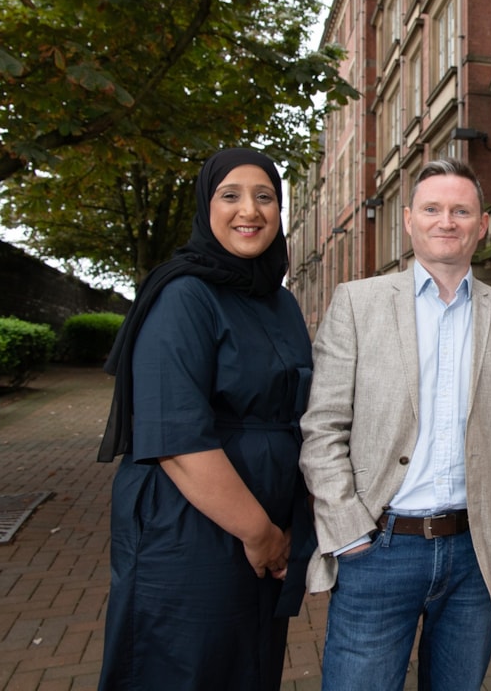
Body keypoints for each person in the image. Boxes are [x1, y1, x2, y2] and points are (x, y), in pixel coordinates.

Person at [299, 158, 491, 691]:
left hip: (476, 554)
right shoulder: (356, 304)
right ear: (410, 220)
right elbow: (322, 430)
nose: (447, 221)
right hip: (378, 549)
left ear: (481, 225)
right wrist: (348, 534)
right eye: (433, 209)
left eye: (461, 210)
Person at [97, 148, 315, 690]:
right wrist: (260, 532)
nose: (251, 210)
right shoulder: (183, 295)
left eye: (265, 197)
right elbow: (176, 436)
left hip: (266, 523)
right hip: (190, 523)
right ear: (206, 205)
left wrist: (287, 523)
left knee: (248, 667)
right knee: (186, 667)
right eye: (231, 195)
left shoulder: (279, 302)